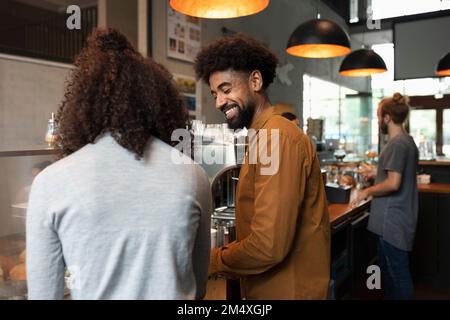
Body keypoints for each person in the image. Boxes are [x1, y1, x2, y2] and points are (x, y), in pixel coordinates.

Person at [26, 28, 211, 300]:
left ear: (83, 104)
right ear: (160, 104)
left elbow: (44, 294)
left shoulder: (49, 182)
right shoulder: (193, 176)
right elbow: (199, 286)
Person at [194, 34, 330, 300]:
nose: (219, 102)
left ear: (255, 81)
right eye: (214, 94)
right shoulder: (264, 135)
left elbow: (269, 246)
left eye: (226, 89)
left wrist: (211, 260)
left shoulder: (276, 138)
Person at [352, 93, 419, 300]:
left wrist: (365, 191)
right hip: (400, 220)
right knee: (391, 279)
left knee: (397, 280)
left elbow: (393, 183)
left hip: (392, 223)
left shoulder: (397, 144)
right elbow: (396, 174)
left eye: (379, 116)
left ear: (387, 118)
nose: (378, 121)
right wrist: (375, 173)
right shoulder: (407, 141)